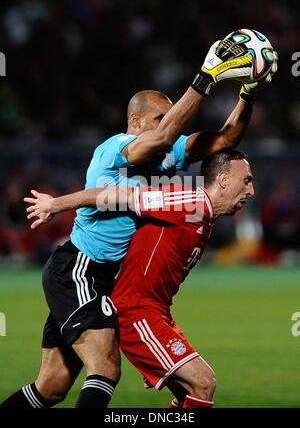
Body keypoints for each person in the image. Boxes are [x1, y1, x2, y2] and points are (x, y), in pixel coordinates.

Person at [0, 39, 275, 409]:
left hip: (105, 279)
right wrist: (206, 77)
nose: (170, 128)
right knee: (106, 368)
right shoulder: (118, 149)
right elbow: (157, 142)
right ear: (136, 121)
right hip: (80, 271)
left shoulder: (165, 158)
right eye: (161, 118)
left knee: (50, 387)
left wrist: (248, 95)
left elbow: (225, 138)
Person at [21, 149, 254, 408]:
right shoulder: (187, 201)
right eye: (246, 181)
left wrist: (244, 105)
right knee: (203, 382)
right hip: (137, 311)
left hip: (157, 313)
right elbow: (116, 196)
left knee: (52, 387)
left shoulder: (203, 213)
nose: (251, 190)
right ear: (223, 180)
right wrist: (56, 204)